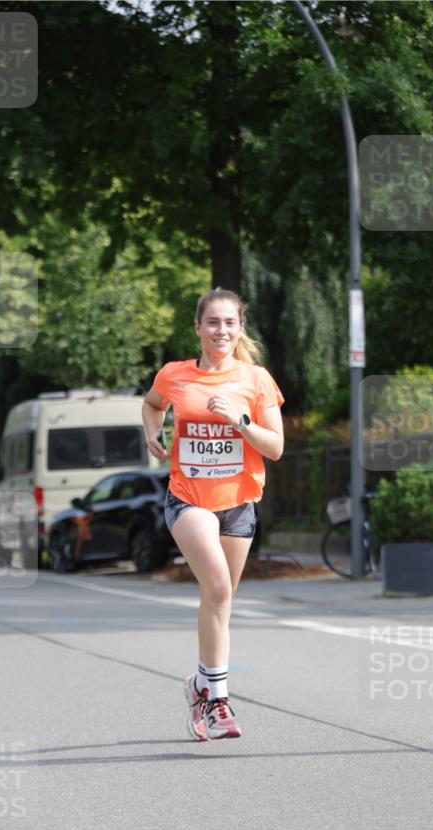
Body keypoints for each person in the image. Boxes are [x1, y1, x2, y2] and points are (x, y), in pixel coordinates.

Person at [142, 288, 285, 741]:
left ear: (240, 328)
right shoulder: (175, 375)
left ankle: (199, 684)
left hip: (239, 503)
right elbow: (151, 404)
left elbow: (276, 448)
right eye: (212, 323)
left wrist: (241, 421)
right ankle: (216, 701)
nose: (220, 331)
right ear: (198, 328)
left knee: (219, 601)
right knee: (218, 586)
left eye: (229, 323)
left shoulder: (256, 379)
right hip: (189, 498)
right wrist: (153, 432)